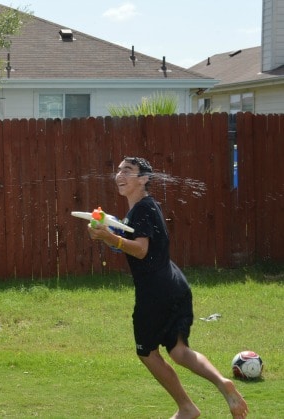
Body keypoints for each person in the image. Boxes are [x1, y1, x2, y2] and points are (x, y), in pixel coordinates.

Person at [86, 157, 248, 419]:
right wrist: (107, 236)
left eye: (127, 170)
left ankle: (187, 407)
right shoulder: (145, 208)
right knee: (179, 351)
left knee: (147, 353)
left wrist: (109, 237)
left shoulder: (142, 209)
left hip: (155, 293)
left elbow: (140, 250)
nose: (119, 175)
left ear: (144, 178)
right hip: (175, 284)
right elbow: (129, 244)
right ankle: (222, 383)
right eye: (118, 171)